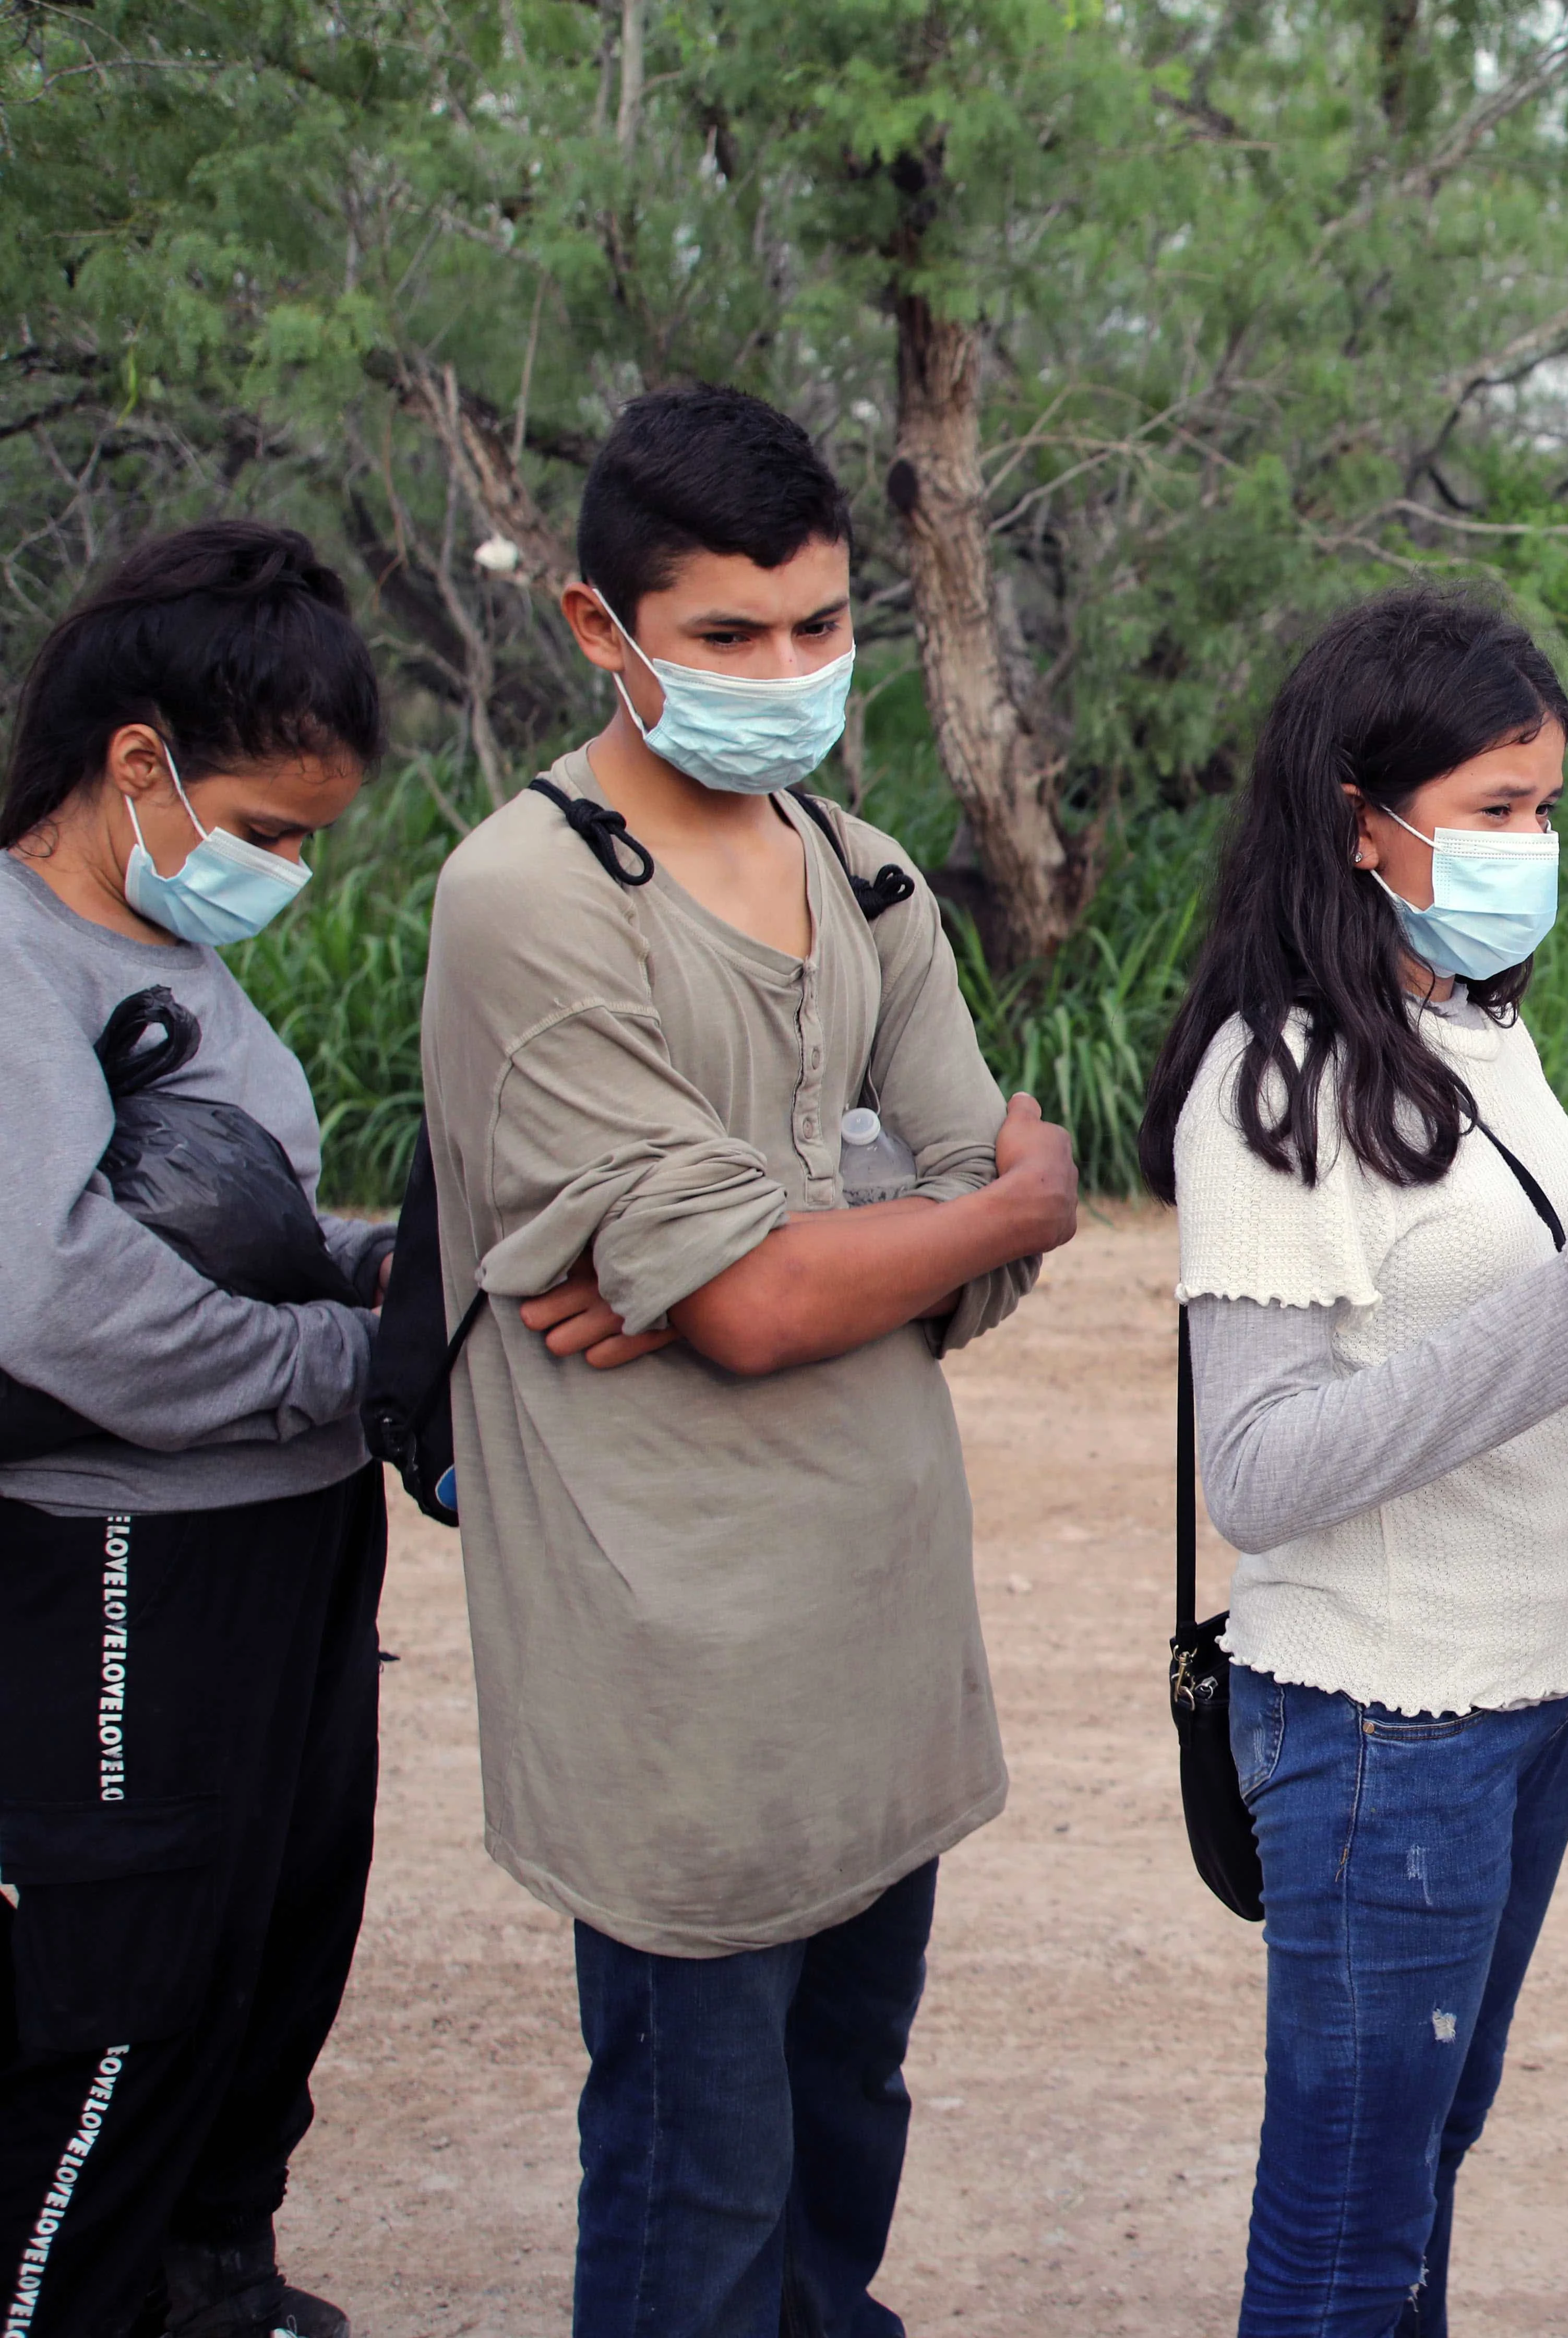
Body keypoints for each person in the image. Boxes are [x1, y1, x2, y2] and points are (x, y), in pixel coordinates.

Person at [416, 383, 1078, 2338]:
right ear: (600, 631)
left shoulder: (866, 870)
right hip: (675, 1683)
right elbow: (796, 1290)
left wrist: (840, 1227)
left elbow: (962, 1200)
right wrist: (927, 1226)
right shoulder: (525, 898)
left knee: (842, 2143)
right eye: (726, 635)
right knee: (694, 2198)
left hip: (880, 1649)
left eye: (817, 627)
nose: (785, 674)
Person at [1141, 588, 1568, 2338]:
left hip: (1519, 1695)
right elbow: (1262, 1473)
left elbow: (1551, 1343)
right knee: (1352, 2225)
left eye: (1549, 807)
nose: (1535, 844)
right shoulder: (1272, 1083)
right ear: (1362, 820)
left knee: (1419, 2173)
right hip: (1377, 1719)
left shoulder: (1478, 1038)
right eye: (1497, 809)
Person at [0, 522, 386, 2338]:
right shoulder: (16, 963)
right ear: (137, 763)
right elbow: (61, 1300)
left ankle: (205, 2279)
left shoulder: (173, 957)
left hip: (288, 1536)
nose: (288, 872)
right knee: (127, 1977)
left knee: (272, 1944)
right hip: (125, 1554)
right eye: (273, 831)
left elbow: (260, 1236)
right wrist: (349, 1368)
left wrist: (409, 1273)